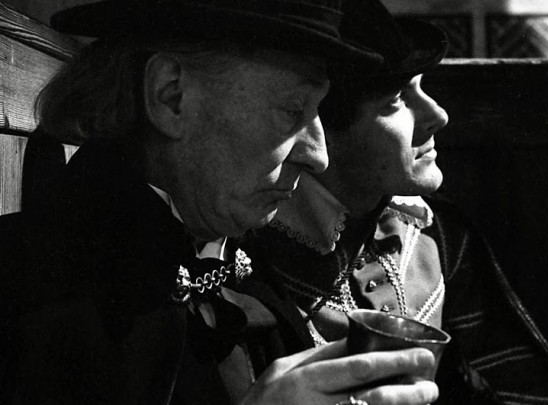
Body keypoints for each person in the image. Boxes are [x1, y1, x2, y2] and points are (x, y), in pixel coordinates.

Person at [1, 1, 440, 404]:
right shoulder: (27, 295)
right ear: (171, 96)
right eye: (293, 110)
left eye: (318, 113)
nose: (317, 155)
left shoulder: (238, 271)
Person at [236, 0, 548, 403]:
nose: (438, 115)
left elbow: (525, 386)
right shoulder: (248, 248)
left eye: (422, 88)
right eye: (396, 100)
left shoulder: (436, 233)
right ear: (321, 127)